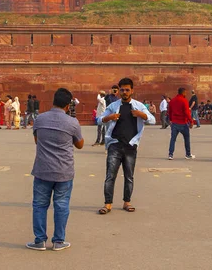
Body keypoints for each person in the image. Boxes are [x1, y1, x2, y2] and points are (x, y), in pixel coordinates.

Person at [26, 88, 84, 251]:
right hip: (64, 170)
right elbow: (80, 144)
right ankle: (59, 240)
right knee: (62, 205)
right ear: (68, 105)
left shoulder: (40, 119)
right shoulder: (72, 122)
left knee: (39, 205)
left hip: (43, 169)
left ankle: (39, 240)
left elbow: (37, 141)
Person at [96, 78, 155, 216]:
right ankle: (107, 203)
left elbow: (153, 120)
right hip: (115, 145)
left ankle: (127, 202)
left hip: (130, 146)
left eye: (127, 90)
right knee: (110, 175)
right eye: (122, 90)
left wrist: (142, 115)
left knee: (129, 176)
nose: (124, 92)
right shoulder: (113, 106)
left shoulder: (139, 106)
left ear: (132, 91)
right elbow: (99, 120)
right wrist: (109, 117)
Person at [167, 87, 195, 160]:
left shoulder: (172, 101)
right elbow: (186, 112)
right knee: (186, 139)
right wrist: (191, 121)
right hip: (183, 123)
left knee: (173, 139)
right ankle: (188, 154)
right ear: (183, 93)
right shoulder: (184, 100)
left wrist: (170, 119)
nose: (186, 94)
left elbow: (169, 111)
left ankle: (170, 154)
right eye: (185, 93)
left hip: (175, 123)